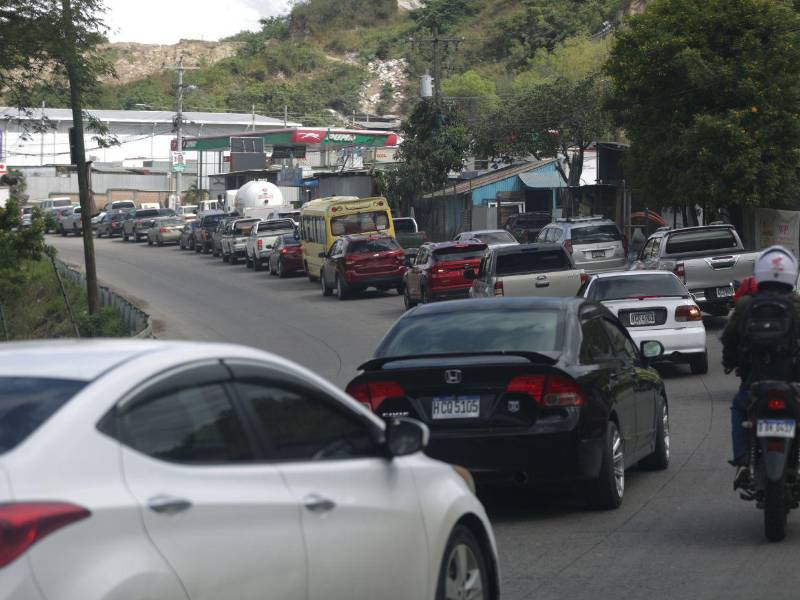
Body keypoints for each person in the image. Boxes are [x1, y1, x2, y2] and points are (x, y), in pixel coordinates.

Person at [721, 245, 800, 484]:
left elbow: (729, 339)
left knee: (739, 408)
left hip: (755, 383)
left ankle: (743, 461)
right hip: (793, 384)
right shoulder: (797, 305)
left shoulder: (746, 305)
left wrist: (729, 363)